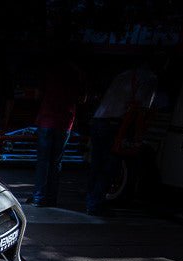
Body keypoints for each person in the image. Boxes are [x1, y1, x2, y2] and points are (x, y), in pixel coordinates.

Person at [86, 59, 157, 216]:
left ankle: (91, 199)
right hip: (115, 124)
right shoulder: (149, 78)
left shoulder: (123, 75)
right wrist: (138, 135)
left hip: (100, 120)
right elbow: (140, 108)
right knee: (110, 166)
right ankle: (95, 203)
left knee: (97, 164)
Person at [30, 56, 86, 207]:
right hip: (65, 122)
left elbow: (37, 95)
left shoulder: (50, 71)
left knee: (43, 161)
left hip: (46, 120)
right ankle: (52, 198)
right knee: (56, 162)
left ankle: (39, 197)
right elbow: (82, 98)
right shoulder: (77, 73)